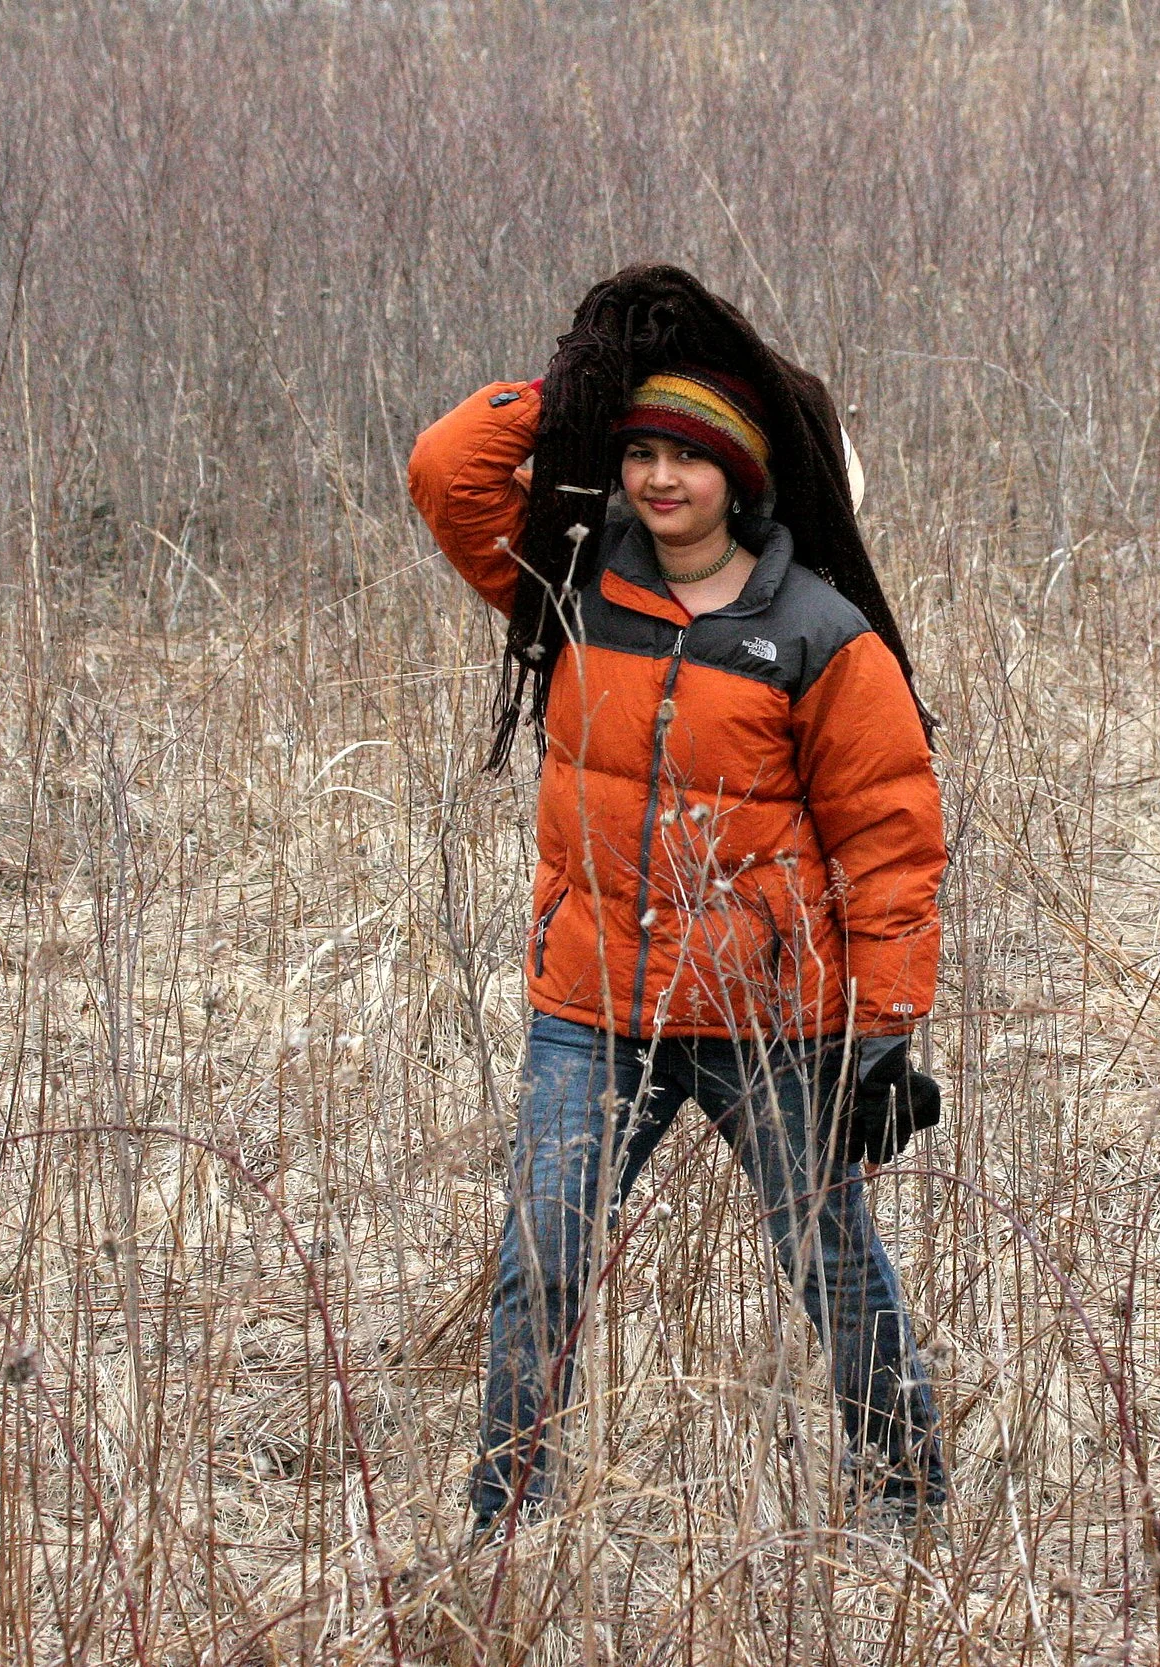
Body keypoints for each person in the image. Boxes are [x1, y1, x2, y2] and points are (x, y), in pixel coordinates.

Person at [406, 265, 947, 1538]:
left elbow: (889, 838)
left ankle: (906, 1490)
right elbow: (448, 470)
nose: (659, 478)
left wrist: (882, 1029)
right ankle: (510, 1519)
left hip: (762, 1017)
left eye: (688, 457)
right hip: (590, 1004)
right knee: (540, 1259)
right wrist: (581, 382)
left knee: (831, 1263)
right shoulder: (574, 587)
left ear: (741, 478)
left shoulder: (819, 632)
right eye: (639, 450)